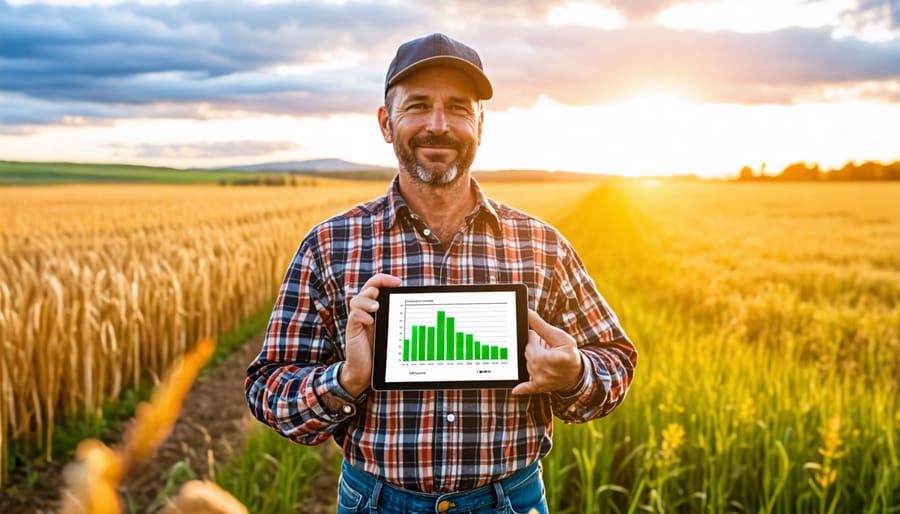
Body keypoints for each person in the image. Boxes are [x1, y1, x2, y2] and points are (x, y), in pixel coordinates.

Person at [245, 32, 637, 514]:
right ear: (386, 123)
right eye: (417, 106)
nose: (438, 125)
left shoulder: (542, 246)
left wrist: (574, 373)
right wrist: (347, 379)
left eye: (456, 107)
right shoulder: (330, 246)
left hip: (509, 502)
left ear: (479, 124)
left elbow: (616, 362)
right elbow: (267, 388)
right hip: (375, 502)